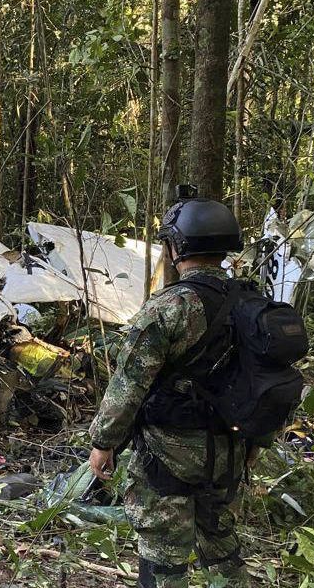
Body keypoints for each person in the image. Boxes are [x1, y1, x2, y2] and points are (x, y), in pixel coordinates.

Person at [87, 196, 251, 588]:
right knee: (222, 546)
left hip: (169, 456)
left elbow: (128, 384)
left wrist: (102, 442)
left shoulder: (170, 307)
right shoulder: (251, 303)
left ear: (177, 248)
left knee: (163, 556)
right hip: (229, 454)